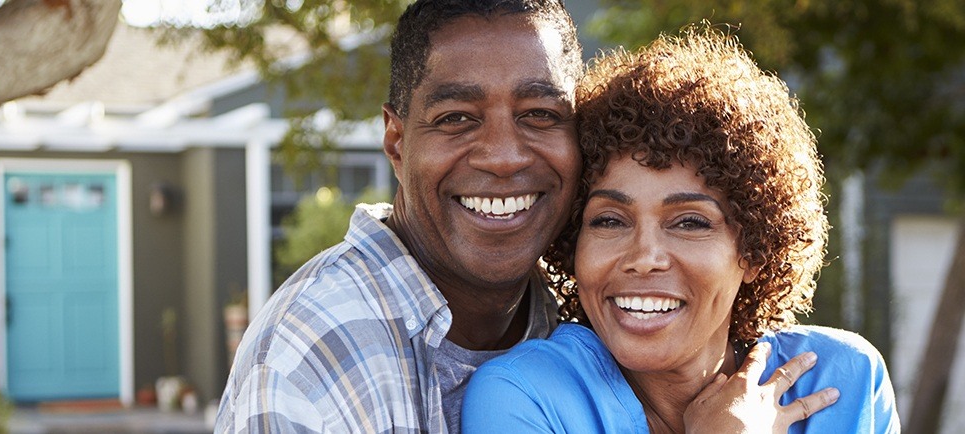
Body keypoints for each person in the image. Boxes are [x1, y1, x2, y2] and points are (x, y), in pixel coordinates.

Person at [462, 30, 900, 433]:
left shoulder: (846, 380)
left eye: (690, 222)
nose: (644, 256)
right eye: (609, 220)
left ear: (753, 251)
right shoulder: (523, 397)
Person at [215, 1, 584, 432]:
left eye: (540, 114)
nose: (503, 158)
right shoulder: (308, 362)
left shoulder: (598, 323)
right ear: (396, 143)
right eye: (457, 118)